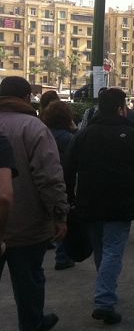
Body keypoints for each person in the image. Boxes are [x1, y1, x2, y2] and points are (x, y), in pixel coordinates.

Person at [65, 88, 134, 325]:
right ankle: (104, 300)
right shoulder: (133, 135)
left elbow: (68, 168)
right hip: (120, 202)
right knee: (112, 249)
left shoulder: (84, 135)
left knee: (101, 248)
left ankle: (105, 287)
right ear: (121, 108)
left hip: (89, 201)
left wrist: (70, 198)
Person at [0, 76, 67, 331]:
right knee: (28, 277)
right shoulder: (34, 127)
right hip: (26, 221)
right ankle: (30, 323)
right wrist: (59, 214)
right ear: (28, 98)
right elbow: (49, 176)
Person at [40, 100, 78, 270]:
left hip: (42, 179)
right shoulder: (70, 138)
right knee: (62, 216)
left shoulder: (42, 134)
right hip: (64, 181)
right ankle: (62, 256)